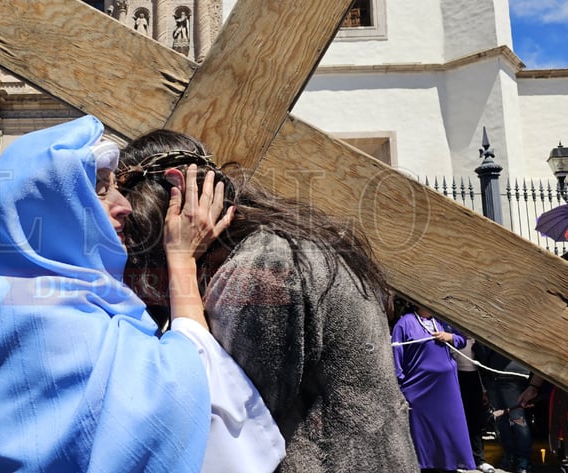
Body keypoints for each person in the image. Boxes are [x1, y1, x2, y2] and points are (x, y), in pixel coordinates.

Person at [0, 115, 285, 472]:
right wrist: (181, 261)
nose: (124, 206)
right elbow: (193, 390)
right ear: (50, 210)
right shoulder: (46, 321)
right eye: (99, 188)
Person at [118, 129, 419, 472]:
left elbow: (223, 422)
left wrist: (180, 262)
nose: (142, 276)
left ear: (180, 196)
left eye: (140, 237)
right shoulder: (276, 247)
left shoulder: (261, 271)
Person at [391, 306, 474, 472]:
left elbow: (462, 339)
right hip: (419, 389)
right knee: (423, 432)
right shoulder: (404, 323)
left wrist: (449, 336)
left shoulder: (442, 321)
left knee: (450, 428)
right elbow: (396, 356)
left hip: (446, 388)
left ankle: (449, 464)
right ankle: (425, 466)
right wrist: (399, 387)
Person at [475, 341, 534, 473]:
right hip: (490, 374)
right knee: (501, 420)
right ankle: (511, 455)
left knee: (517, 418)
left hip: (511, 372)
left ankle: (523, 458)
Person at [454, 335, 496, 473]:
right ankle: (460, 460)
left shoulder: (476, 336)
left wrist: (483, 389)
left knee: (475, 421)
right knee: (459, 420)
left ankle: (479, 460)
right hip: (455, 376)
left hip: (474, 378)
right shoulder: (448, 330)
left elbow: (482, 364)